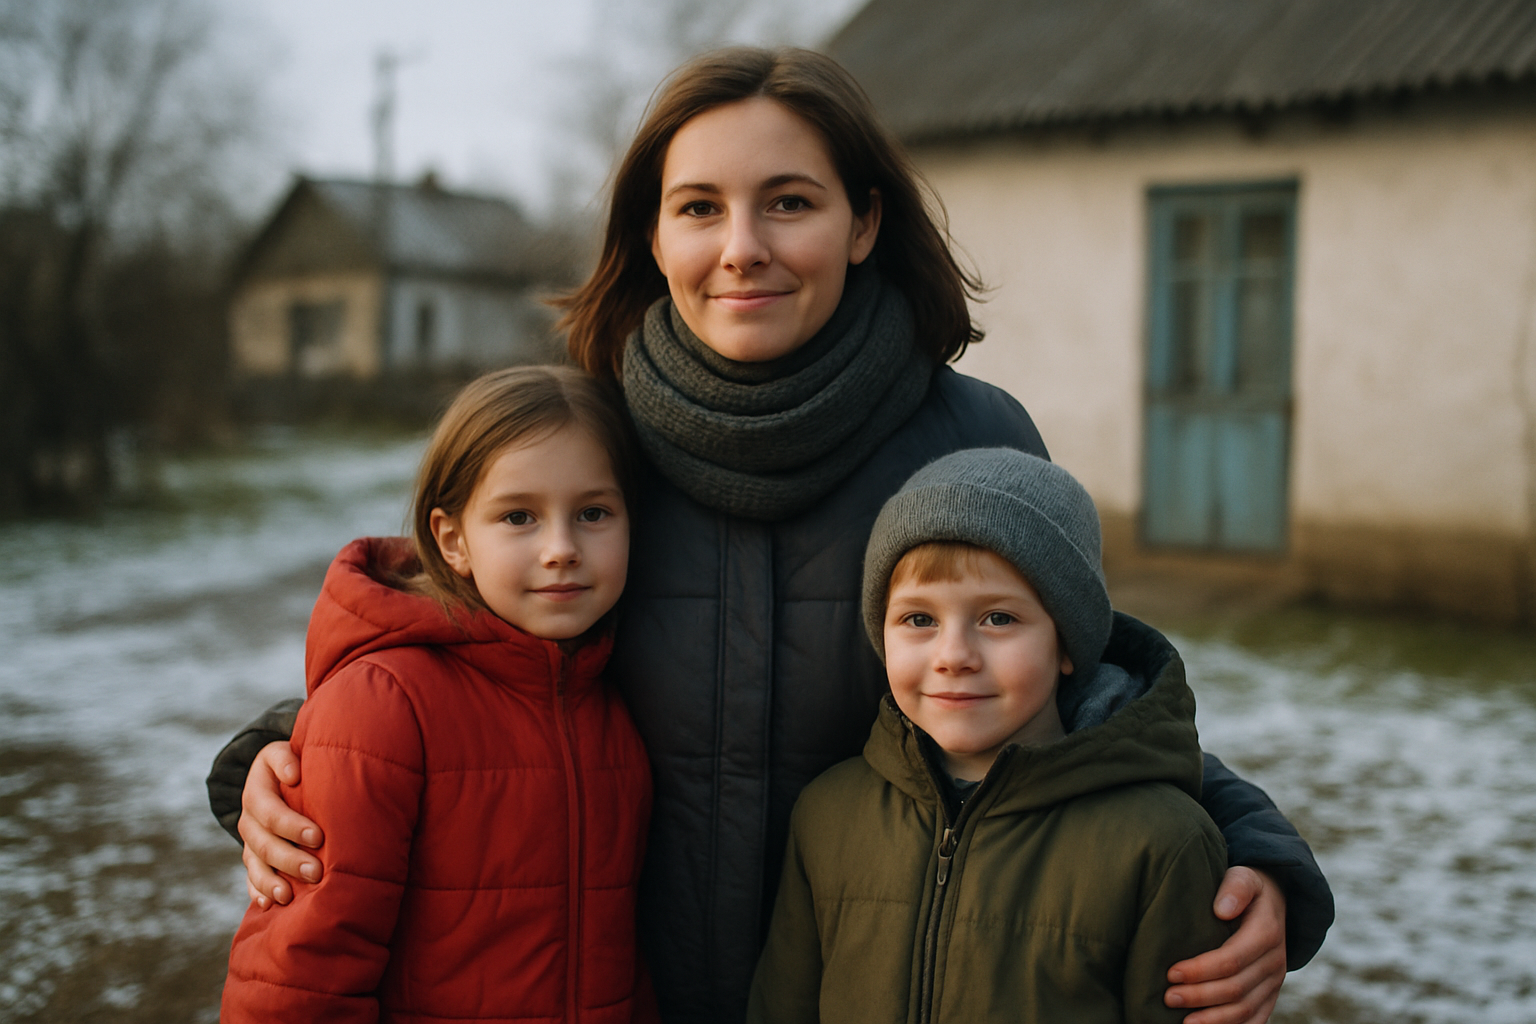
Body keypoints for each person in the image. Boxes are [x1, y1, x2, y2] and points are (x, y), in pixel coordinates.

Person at [207, 47, 1333, 1024]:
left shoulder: (972, 441)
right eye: (699, 207)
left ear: (865, 221)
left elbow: (1081, 692)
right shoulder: (591, 440)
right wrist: (282, 752)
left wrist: (1256, 850)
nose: (741, 246)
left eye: (788, 202)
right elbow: (454, 634)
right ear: (653, 236)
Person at [219, 367, 657, 1024]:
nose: (561, 549)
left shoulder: (617, 702)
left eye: (593, 513)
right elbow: (301, 977)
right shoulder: (383, 705)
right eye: (519, 517)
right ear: (453, 541)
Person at [749, 447, 1235, 1023]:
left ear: (1067, 645)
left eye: (998, 618)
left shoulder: (1162, 843)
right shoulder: (828, 815)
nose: (953, 655)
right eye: (919, 619)